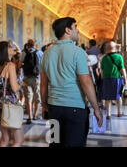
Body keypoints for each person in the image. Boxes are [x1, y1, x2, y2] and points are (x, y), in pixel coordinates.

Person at [40, 17, 103, 147]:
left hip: (54, 107)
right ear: (68, 30)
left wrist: (44, 105)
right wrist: (96, 108)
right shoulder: (78, 52)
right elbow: (86, 81)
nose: (78, 31)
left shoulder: (46, 53)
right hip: (75, 108)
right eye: (75, 27)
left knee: (55, 143)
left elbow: (43, 84)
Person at [0, 41, 24, 147]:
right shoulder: (10, 66)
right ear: (4, 51)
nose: (12, 48)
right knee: (18, 140)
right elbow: (14, 88)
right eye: (9, 47)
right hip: (10, 104)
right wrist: (22, 84)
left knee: (4, 139)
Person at [98, 41, 127, 119]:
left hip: (106, 79)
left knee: (108, 98)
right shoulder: (119, 57)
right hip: (117, 79)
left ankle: (108, 114)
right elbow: (122, 69)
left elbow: (102, 71)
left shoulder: (104, 58)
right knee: (118, 97)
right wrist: (125, 79)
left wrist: (103, 79)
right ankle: (119, 112)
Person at [21, 39, 43, 124]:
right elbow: (43, 64)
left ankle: (29, 117)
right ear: (35, 45)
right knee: (37, 97)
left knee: (28, 97)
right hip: (36, 77)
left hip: (26, 77)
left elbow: (20, 63)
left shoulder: (24, 53)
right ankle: (35, 115)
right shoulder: (39, 53)